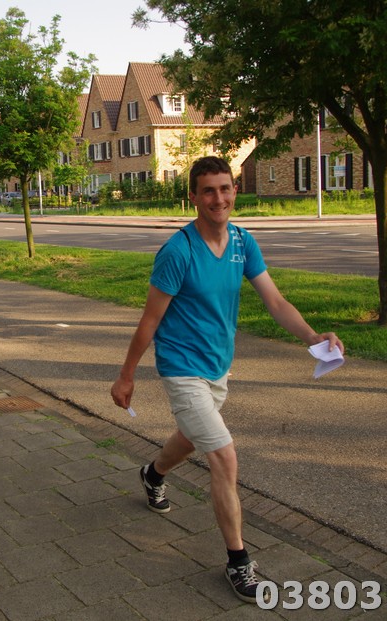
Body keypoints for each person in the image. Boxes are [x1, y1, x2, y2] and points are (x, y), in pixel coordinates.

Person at [110, 156, 343, 604]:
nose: (219, 198)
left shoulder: (242, 241)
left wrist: (314, 337)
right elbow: (149, 320)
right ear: (193, 197)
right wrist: (126, 376)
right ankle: (239, 562)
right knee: (224, 456)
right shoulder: (178, 251)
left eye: (225, 188)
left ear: (235, 191)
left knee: (191, 438)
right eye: (208, 191)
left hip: (218, 366)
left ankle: (152, 474)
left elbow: (276, 302)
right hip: (181, 367)